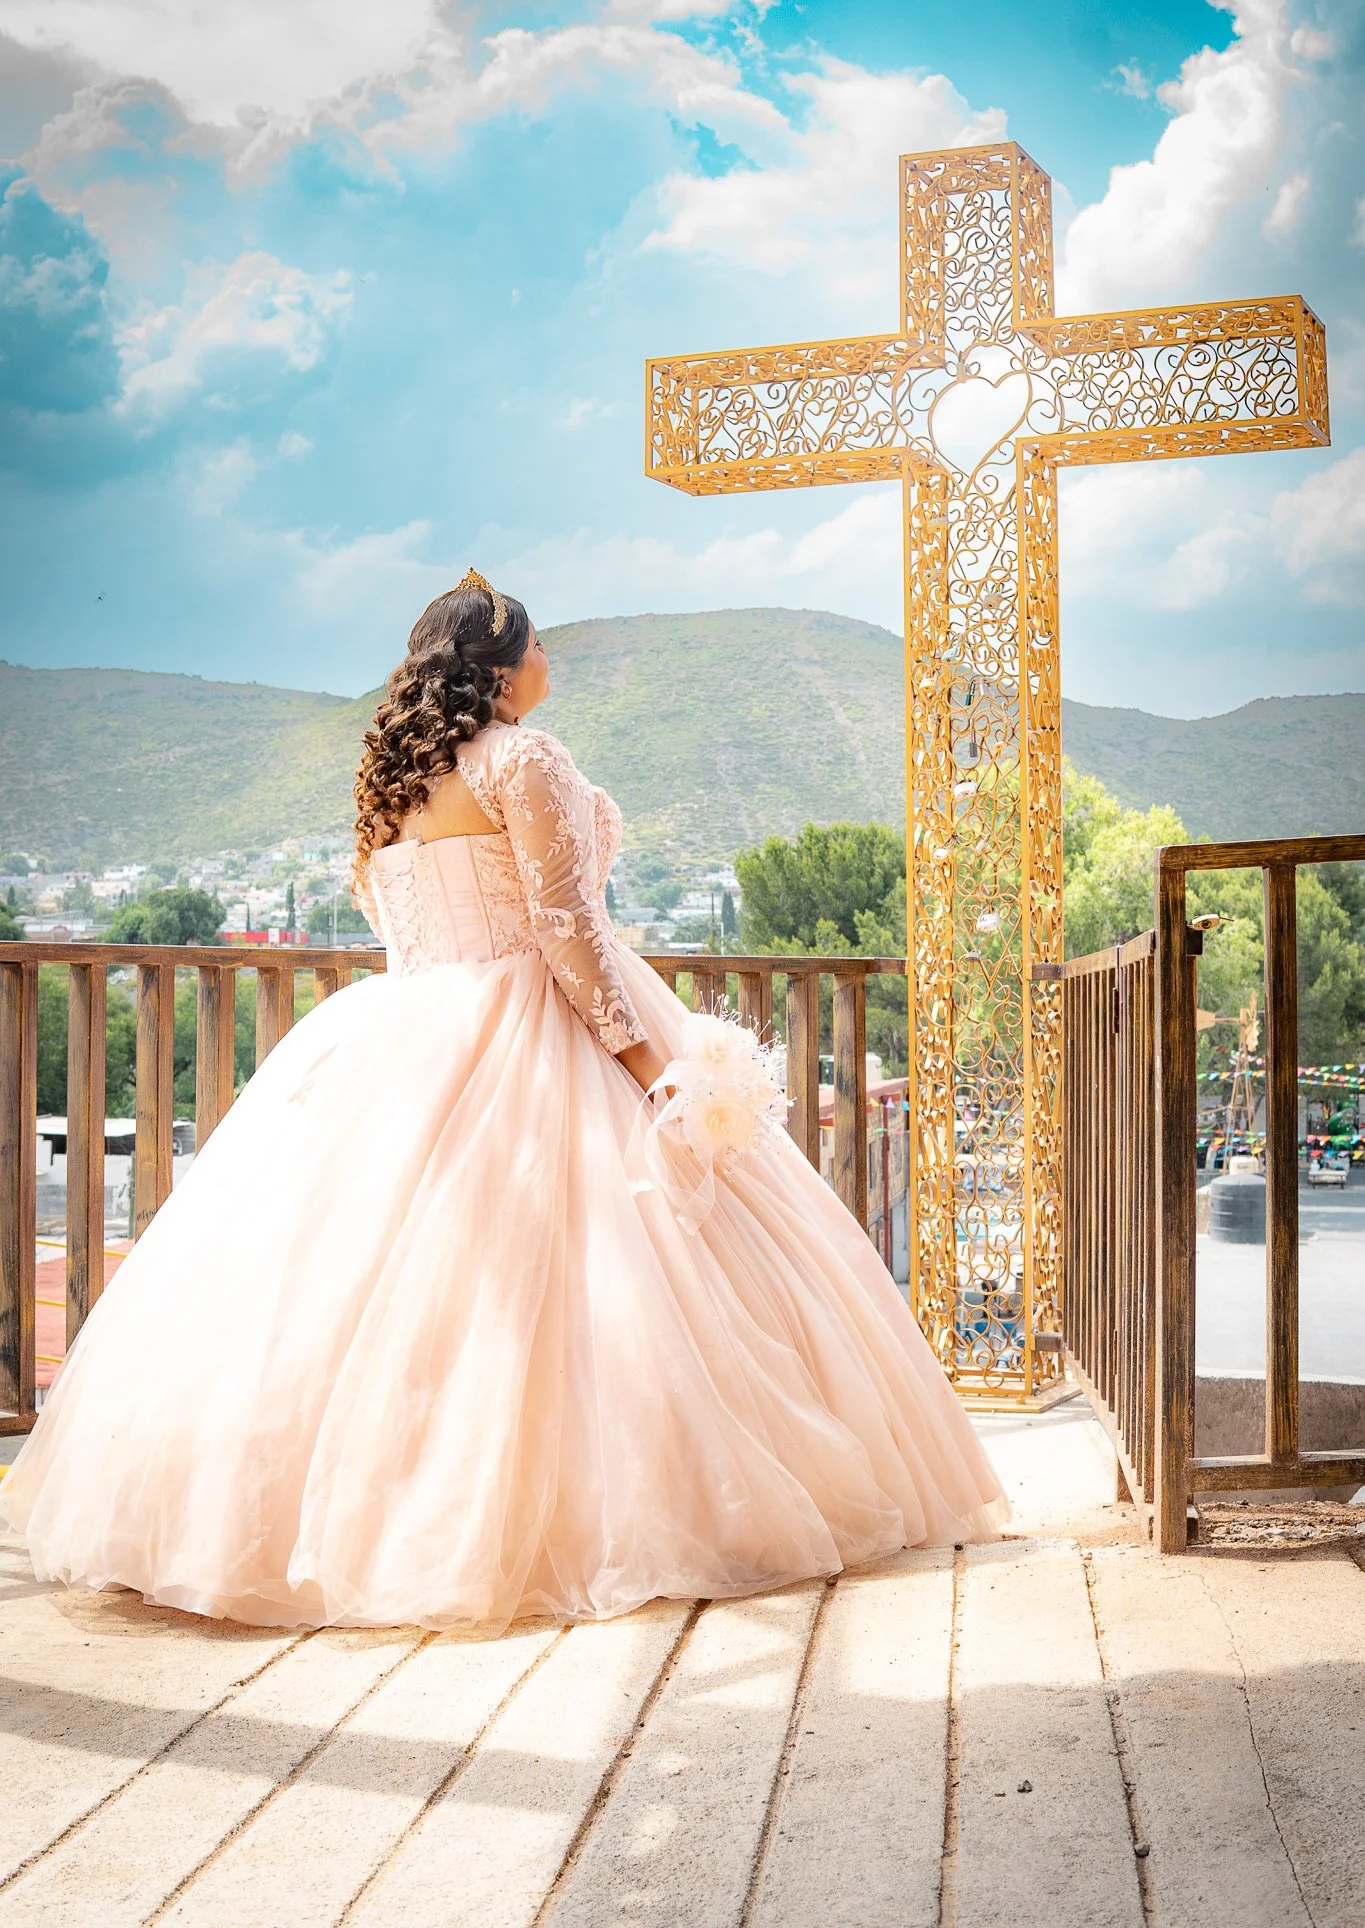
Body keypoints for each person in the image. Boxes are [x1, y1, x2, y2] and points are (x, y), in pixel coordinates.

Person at [2, 573, 1007, 1629]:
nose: (548, 662)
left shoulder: (393, 784)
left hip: (401, 1033)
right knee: (600, 1280)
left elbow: (417, 937)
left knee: (383, 1291)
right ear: (500, 666)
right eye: (536, 646)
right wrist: (643, 1063)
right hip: (533, 1024)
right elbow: (567, 929)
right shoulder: (524, 759)